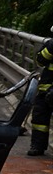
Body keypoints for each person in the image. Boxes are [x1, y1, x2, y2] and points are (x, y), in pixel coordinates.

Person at [27, 27, 53, 156]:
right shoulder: (50, 44)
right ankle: (37, 145)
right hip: (45, 89)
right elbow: (40, 61)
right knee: (39, 119)